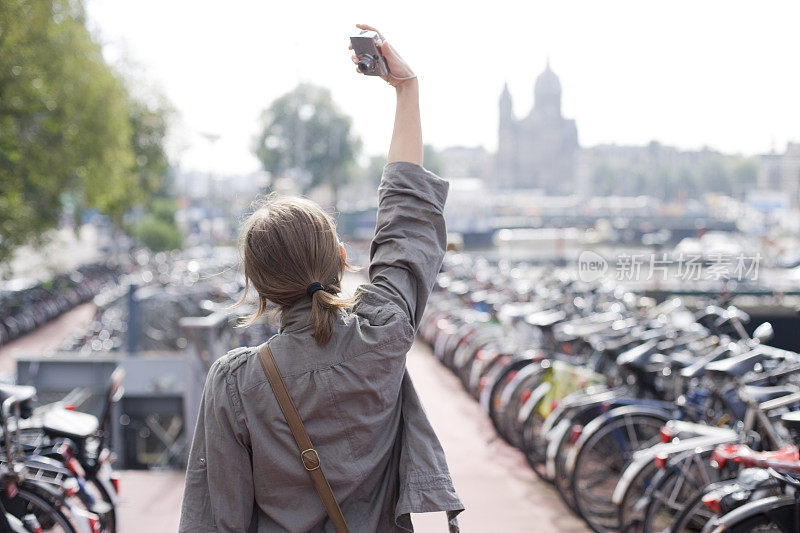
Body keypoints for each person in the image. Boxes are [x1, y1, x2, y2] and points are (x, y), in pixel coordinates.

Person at [179, 24, 463, 532]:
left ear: (259, 288)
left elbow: (213, 521)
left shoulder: (236, 385)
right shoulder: (381, 334)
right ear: (338, 256)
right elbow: (408, 219)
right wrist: (406, 88)